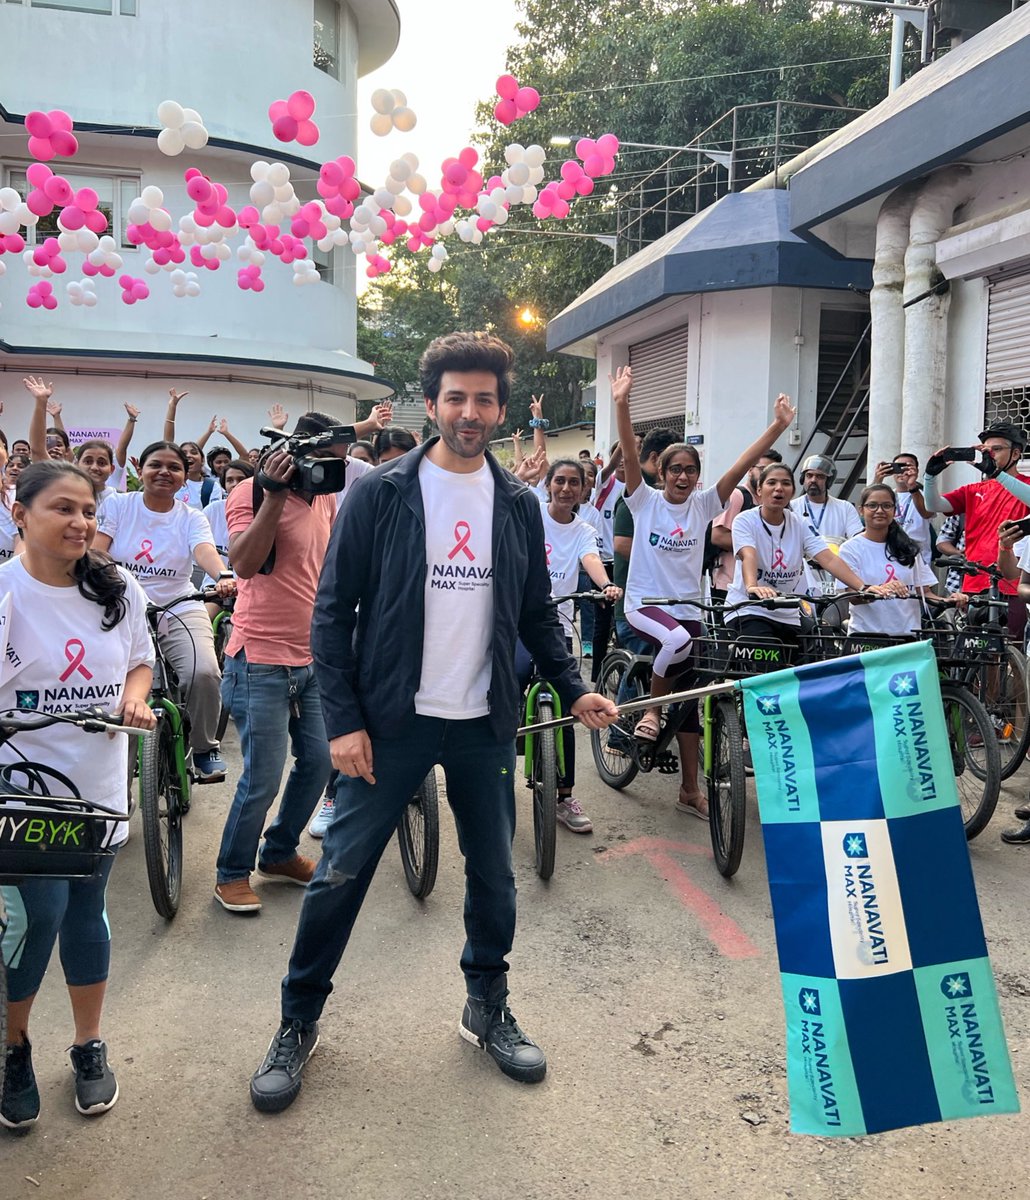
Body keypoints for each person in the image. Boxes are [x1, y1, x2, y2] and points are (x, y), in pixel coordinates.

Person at [248, 332, 618, 1113]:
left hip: (483, 724)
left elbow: (534, 616)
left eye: (485, 399)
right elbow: (331, 612)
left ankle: (486, 1005)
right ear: (434, 404)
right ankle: (298, 1019)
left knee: (494, 877)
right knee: (340, 877)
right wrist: (343, 721)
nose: (470, 411)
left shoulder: (517, 503)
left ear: (501, 410)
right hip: (391, 725)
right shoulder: (379, 493)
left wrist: (573, 685)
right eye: (456, 397)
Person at [0, 461, 155, 1131]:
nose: (80, 521)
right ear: (20, 515)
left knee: (87, 911)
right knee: (38, 917)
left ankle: (89, 1045)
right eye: (63, 508)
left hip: (97, 789)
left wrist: (134, 699)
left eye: (88, 509)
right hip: (25, 795)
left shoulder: (117, 589)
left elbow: (140, 660)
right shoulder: (6, 594)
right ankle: (14, 1049)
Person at [214, 404, 388, 911]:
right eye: (325, 463)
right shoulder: (248, 493)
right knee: (262, 776)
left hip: (313, 659)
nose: (332, 474)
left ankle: (280, 851)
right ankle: (231, 870)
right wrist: (272, 493)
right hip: (259, 659)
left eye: (339, 463)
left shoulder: (325, 500)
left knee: (316, 763)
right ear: (296, 455)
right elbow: (245, 562)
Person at [615, 370, 796, 818]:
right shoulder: (643, 500)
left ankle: (690, 790)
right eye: (674, 468)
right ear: (661, 471)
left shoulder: (704, 503)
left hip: (689, 608)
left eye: (690, 470)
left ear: (698, 476)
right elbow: (632, 455)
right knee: (675, 644)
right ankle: (652, 712)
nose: (682, 476)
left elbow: (741, 463)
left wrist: (778, 427)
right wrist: (622, 403)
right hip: (644, 605)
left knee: (693, 698)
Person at [93, 441, 233, 782]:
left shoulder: (191, 517)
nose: (164, 472)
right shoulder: (119, 506)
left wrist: (223, 576)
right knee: (116, 692)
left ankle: (203, 747)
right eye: (156, 465)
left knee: (203, 672)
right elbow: (98, 551)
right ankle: (115, 787)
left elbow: (203, 550)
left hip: (179, 606)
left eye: (174, 467)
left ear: (185, 478)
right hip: (123, 606)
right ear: (140, 469)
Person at [515, 458, 622, 834]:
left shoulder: (584, 529)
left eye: (573, 483)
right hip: (515, 624)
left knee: (568, 703)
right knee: (506, 688)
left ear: (583, 490)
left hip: (555, 626)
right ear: (547, 484)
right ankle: (497, 773)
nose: (565, 488)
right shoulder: (530, 512)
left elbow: (589, 558)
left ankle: (564, 797)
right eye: (559, 481)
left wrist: (605, 583)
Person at [725, 463, 895, 646]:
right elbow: (748, 555)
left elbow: (828, 558)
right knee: (768, 657)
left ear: (792, 491)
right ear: (759, 490)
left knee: (813, 656)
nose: (779, 488)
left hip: (788, 613)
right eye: (771, 483)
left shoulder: (800, 523)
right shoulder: (745, 520)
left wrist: (863, 587)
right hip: (750, 610)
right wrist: (752, 587)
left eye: (785, 484)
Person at [922, 420, 1030, 641]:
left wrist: (997, 474)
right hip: (975, 581)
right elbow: (934, 506)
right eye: (986, 451)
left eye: (997, 450)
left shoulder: (1025, 484)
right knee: (980, 656)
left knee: (1012, 652)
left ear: (1017, 453)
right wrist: (930, 477)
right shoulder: (973, 490)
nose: (990, 455)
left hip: (1014, 583)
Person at [837, 484, 961, 635]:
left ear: (895, 511)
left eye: (886, 506)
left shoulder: (908, 547)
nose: (880, 511)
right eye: (872, 505)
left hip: (908, 638)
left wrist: (948, 601)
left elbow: (925, 593)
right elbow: (853, 597)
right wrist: (880, 591)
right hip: (867, 636)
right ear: (861, 510)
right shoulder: (850, 549)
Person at [708, 448, 783, 605]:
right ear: (750, 470)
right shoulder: (738, 495)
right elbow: (718, 536)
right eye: (762, 469)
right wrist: (757, 547)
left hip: (762, 585)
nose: (767, 475)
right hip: (729, 583)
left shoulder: (771, 500)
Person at [789, 453, 863, 594]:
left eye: (820, 476)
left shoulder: (845, 507)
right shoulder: (791, 508)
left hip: (835, 573)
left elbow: (857, 540)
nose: (813, 480)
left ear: (829, 481)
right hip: (801, 574)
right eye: (809, 475)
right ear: (802, 479)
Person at [872, 453, 933, 561]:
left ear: (916, 471)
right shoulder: (885, 496)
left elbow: (926, 513)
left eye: (907, 466)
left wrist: (912, 486)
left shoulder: (924, 494)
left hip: (918, 557)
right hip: (888, 554)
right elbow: (867, 511)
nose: (902, 471)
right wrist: (876, 482)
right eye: (898, 467)